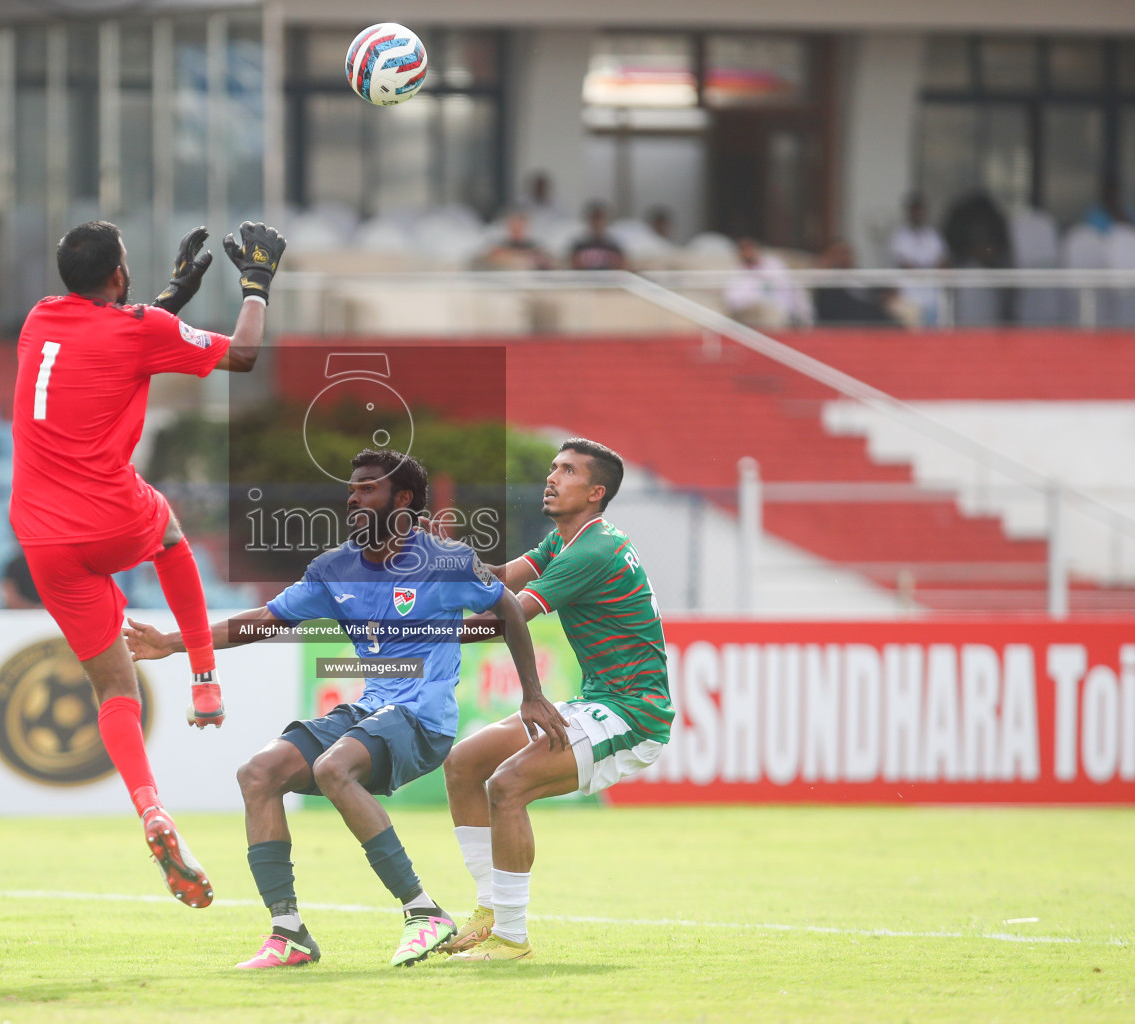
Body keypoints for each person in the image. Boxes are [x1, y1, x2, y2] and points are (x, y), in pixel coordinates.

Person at [123, 449, 567, 969]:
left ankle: (422, 911)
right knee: (258, 773)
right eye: (351, 489)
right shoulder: (335, 568)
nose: (353, 497)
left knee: (334, 767)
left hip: (422, 720)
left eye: (367, 488)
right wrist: (177, 644)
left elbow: (509, 607)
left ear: (402, 500)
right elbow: (263, 621)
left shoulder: (444, 561)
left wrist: (532, 693)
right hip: (371, 708)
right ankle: (288, 933)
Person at [10, 218, 285, 909]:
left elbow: (115, 338)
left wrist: (171, 296)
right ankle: (203, 681)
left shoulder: (40, 320)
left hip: (40, 535)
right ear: (118, 276)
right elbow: (244, 355)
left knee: (114, 688)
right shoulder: (137, 328)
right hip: (106, 513)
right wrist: (256, 282)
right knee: (167, 533)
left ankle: (151, 810)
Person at [436, 439, 673, 962]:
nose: (552, 477)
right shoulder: (566, 540)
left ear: (595, 492)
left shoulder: (592, 551)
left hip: (633, 713)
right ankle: (490, 910)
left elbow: (506, 616)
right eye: (552, 468)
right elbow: (498, 582)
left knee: (508, 785)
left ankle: (511, 938)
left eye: (566, 471)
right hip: (598, 700)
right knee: (463, 762)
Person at [723, 236, 812, 328]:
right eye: (744, 250)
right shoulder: (735, 271)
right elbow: (733, 300)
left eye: (750, 249)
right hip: (754, 312)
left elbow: (788, 285)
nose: (747, 253)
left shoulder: (774, 264)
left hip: (783, 307)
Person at [888, 193, 946, 324]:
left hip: (931, 297)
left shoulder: (933, 236)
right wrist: (928, 269)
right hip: (908, 297)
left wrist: (922, 269)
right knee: (912, 339)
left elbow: (943, 262)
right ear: (909, 212)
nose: (918, 214)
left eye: (921, 211)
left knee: (932, 339)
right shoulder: (900, 236)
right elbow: (904, 265)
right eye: (915, 211)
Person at [814, 240, 898, 326]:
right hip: (852, 323)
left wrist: (885, 294)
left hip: (876, 318)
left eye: (847, 252)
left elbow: (874, 290)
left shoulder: (860, 274)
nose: (845, 257)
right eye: (840, 253)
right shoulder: (830, 284)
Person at [477, 211, 553, 271]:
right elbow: (494, 256)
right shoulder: (500, 245)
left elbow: (543, 259)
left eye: (519, 226)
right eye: (514, 227)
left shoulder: (535, 246)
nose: (516, 230)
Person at [568, 201, 627, 271]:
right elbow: (574, 265)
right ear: (589, 220)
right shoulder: (580, 245)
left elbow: (621, 266)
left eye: (600, 219)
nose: (597, 223)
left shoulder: (613, 246)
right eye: (594, 219)